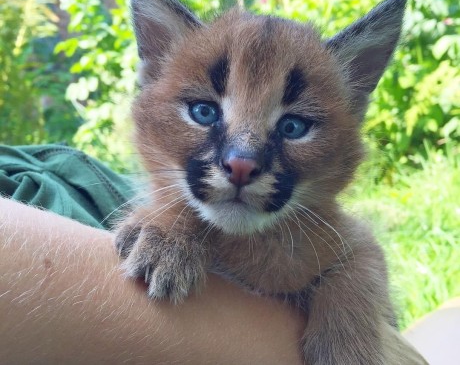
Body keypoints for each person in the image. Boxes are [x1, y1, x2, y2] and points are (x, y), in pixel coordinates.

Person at [0, 145, 428, 364]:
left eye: (294, 125)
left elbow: (357, 249)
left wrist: (347, 301)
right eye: (204, 112)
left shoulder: (319, 234)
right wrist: (176, 222)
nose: (241, 161)